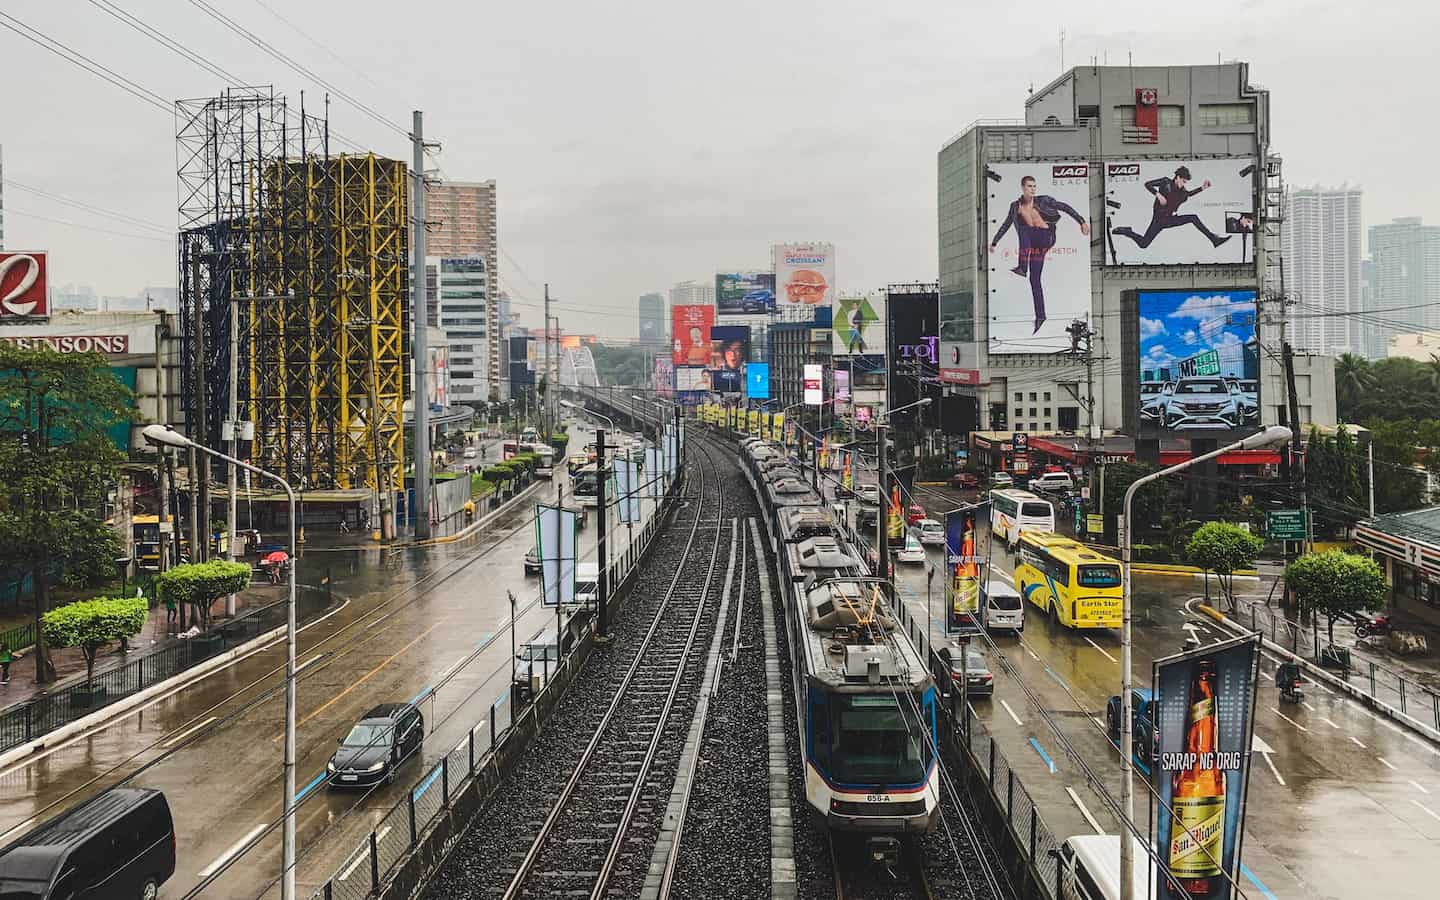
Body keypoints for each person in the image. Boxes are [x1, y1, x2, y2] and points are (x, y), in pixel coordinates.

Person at [989, 175, 1090, 334]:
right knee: (1034, 279)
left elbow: (1065, 207)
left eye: (1034, 186)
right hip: (1032, 245)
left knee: (1024, 230)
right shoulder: (1015, 206)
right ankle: (1041, 317)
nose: (1033, 189)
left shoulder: (1044, 201)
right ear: (1023, 188)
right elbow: (1006, 224)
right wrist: (995, 242)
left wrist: (1082, 222)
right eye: (1029, 186)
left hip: (1045, 238)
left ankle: (1022, 267)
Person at [1112, 165, 1232, 251]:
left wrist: (1202, 188)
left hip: (1169, 219)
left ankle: (1214, 239)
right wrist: (1158, 195)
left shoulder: (1183, 192)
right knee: (1143, 244)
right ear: (1178, 177)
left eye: (1185, 182)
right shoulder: (1165, 182)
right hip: (1158, 220)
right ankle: (1127, 231)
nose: (1184, 184)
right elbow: (1147, 184)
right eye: (1183, 181)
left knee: (1193, 218)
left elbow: (1189, 194)